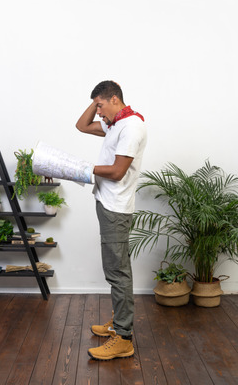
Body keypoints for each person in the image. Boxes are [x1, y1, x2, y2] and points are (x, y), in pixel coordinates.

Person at [76, 80, 147, 361]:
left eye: (101, 105)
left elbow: (117, 172)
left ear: (114, 99)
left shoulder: (131, 126)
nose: (98, 112)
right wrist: (96, 103)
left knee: (117, 272)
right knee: (117, 268)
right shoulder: (116, 123)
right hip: (107, 203)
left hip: (116, 207)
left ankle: (124, 337)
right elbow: (81, 126)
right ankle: (119, 321)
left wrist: (82, 168)